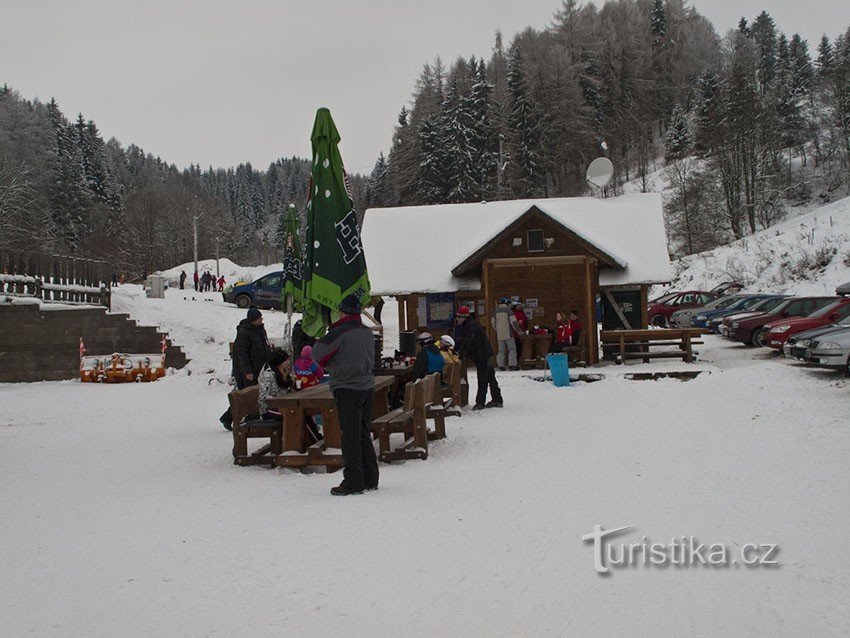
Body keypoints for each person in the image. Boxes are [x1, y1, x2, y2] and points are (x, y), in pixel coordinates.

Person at [311, 294, 379, 496]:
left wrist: (332, 365)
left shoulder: (338, 333)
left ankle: (353, 482)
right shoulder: (367, 332)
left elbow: (318, 355)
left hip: (347, 388)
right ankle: (370, 478)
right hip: (367, 387)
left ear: (342, 311)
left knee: (349, 437)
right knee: (363, 434)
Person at [219, 307, 272, 430]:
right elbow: (241, 354)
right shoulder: (244, 332)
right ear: (253, 320)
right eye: (259, 318)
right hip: (247, 371)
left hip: (259, 368)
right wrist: (247, 371)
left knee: (254, 394)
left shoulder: (260, 330)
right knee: (247, 395)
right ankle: (230, 417)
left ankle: (247, 417)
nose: (261, 319)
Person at [457, 305, 503, 410]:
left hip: (482, 355)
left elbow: (467, 342)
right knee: (490, 377)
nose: (457, 319)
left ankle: (480, 402)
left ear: (463, 317)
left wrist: (460, 355)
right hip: (485, 354)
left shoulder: (470, 326)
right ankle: (497, 399)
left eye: (459, 317)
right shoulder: (470, 324)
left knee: (483, 378)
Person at [258, 350, 293, 419]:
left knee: (301, 412)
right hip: (268, 410)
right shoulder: (267, 375)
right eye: (286, 360)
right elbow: (264, 398)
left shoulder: (282, 372)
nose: (289, 363)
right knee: (294, 414)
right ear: (279, 362)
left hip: (281, 405)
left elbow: (284, 391)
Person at [491, 297, 519, 371]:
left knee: (501, 351)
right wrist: (519, 331)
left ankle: (501, 366)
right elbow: (514, 322)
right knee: (512, 349)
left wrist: (498, 330)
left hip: (500, 335)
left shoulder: (495, 312)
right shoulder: (509, 311)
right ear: (506, 303)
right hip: (509, 334)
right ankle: (512, 365)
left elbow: (493, 324)